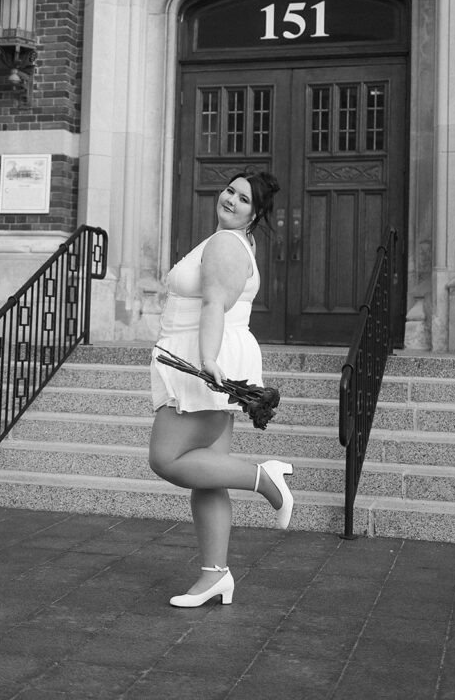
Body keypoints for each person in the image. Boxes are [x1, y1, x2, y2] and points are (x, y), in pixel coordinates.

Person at [149, 169, 294, 608]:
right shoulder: (232, 240)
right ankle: (216, 575)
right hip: (202, 353)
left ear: (256, 214)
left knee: (166, 459)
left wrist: (209, 361)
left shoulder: (225, 244)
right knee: (208, 474)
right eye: (231, 190)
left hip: (203, 358)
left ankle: (264, 478)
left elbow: (214, 304)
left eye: (244, 199)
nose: (231, 199)